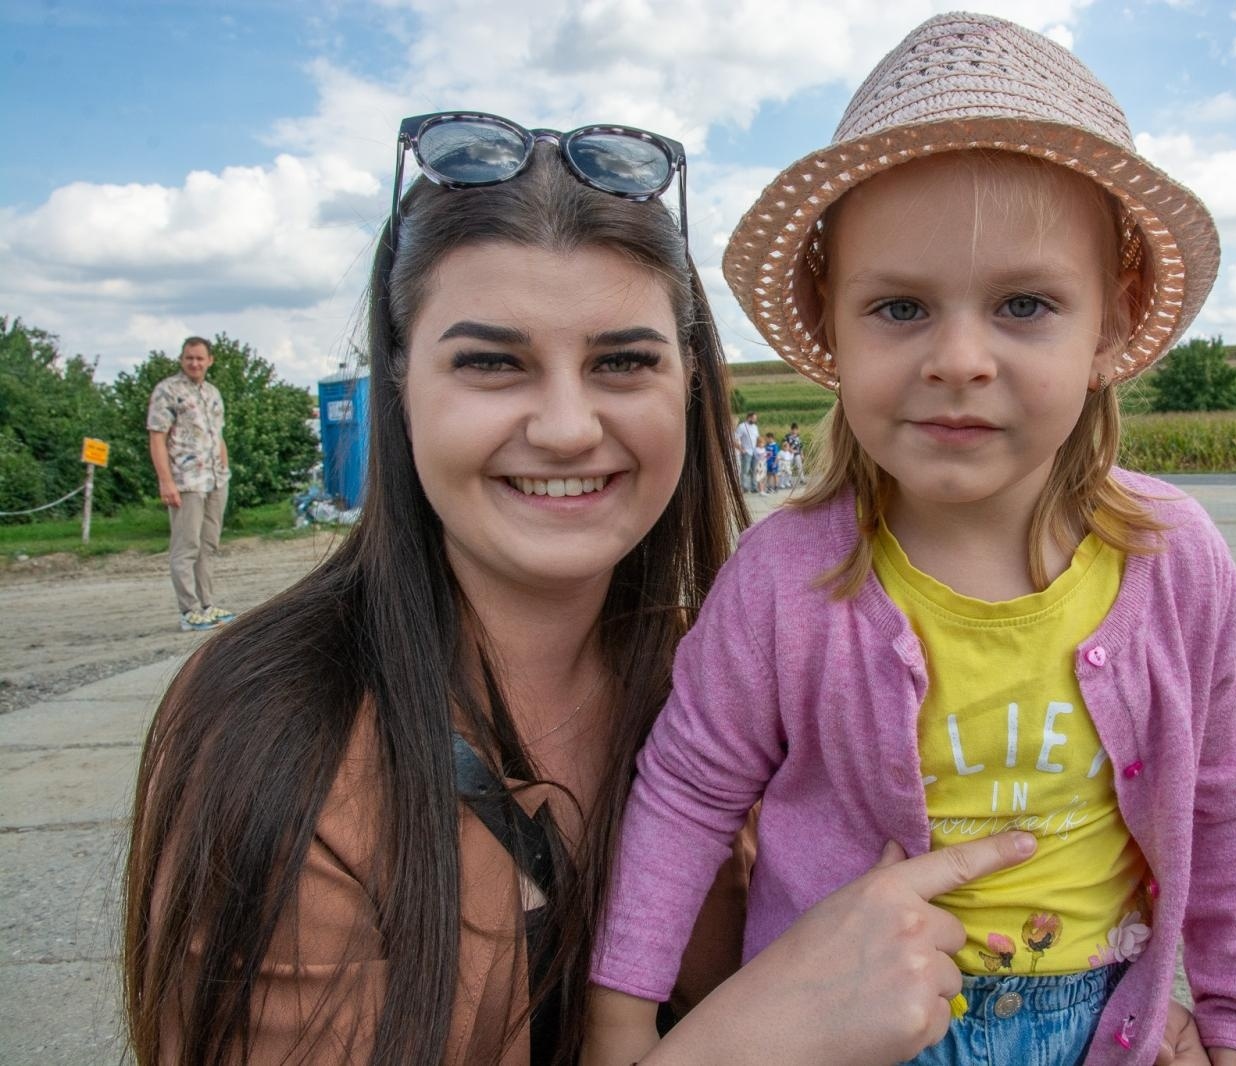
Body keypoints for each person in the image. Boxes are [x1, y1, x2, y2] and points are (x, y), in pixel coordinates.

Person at [122, 111, 1048, 1066]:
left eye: (621, 362)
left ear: (690, 385)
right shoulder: (280, 727)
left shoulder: (728, 674)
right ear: (400, 384)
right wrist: (749, 1041)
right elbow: (803, 1008)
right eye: (490, 363)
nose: (567, 427)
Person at [587, 14, 1236, 1066]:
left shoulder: (1174, 562)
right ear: (833, 324)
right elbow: (687, 792)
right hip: (844, 1028)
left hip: (1102, 1024)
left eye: (1022, 303)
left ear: (1111, 319)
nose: (959, 358)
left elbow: (1229, 805)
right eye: (901, 306)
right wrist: (619, 1022)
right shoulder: (786, 579)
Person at [146, 336, 235, 632]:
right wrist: (165, 481)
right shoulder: (168, 391)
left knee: (208, 544)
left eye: (200, 358)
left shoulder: (212, 392)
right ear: (182, 360)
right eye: (189, 358)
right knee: (186, 546)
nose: (194, 363)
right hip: (187, 481)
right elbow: (157, 435)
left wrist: (224, 467)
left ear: (210, 360)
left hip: (214, 480)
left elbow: (217, 435)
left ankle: (207, 604)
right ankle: (189, 610)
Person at [735, 411, 762, 493]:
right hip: (746, 451)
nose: (755, 420)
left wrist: (759, 449)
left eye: (755, 419)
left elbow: (757, 438)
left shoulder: (755, 427)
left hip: (754, 451)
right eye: (754, 418)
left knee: (754, 470)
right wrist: (741, 448)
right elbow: (736, 438)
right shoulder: (742, 426)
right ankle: (745, 487)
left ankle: (754, 487)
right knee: (745, 470)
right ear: (749, 417)